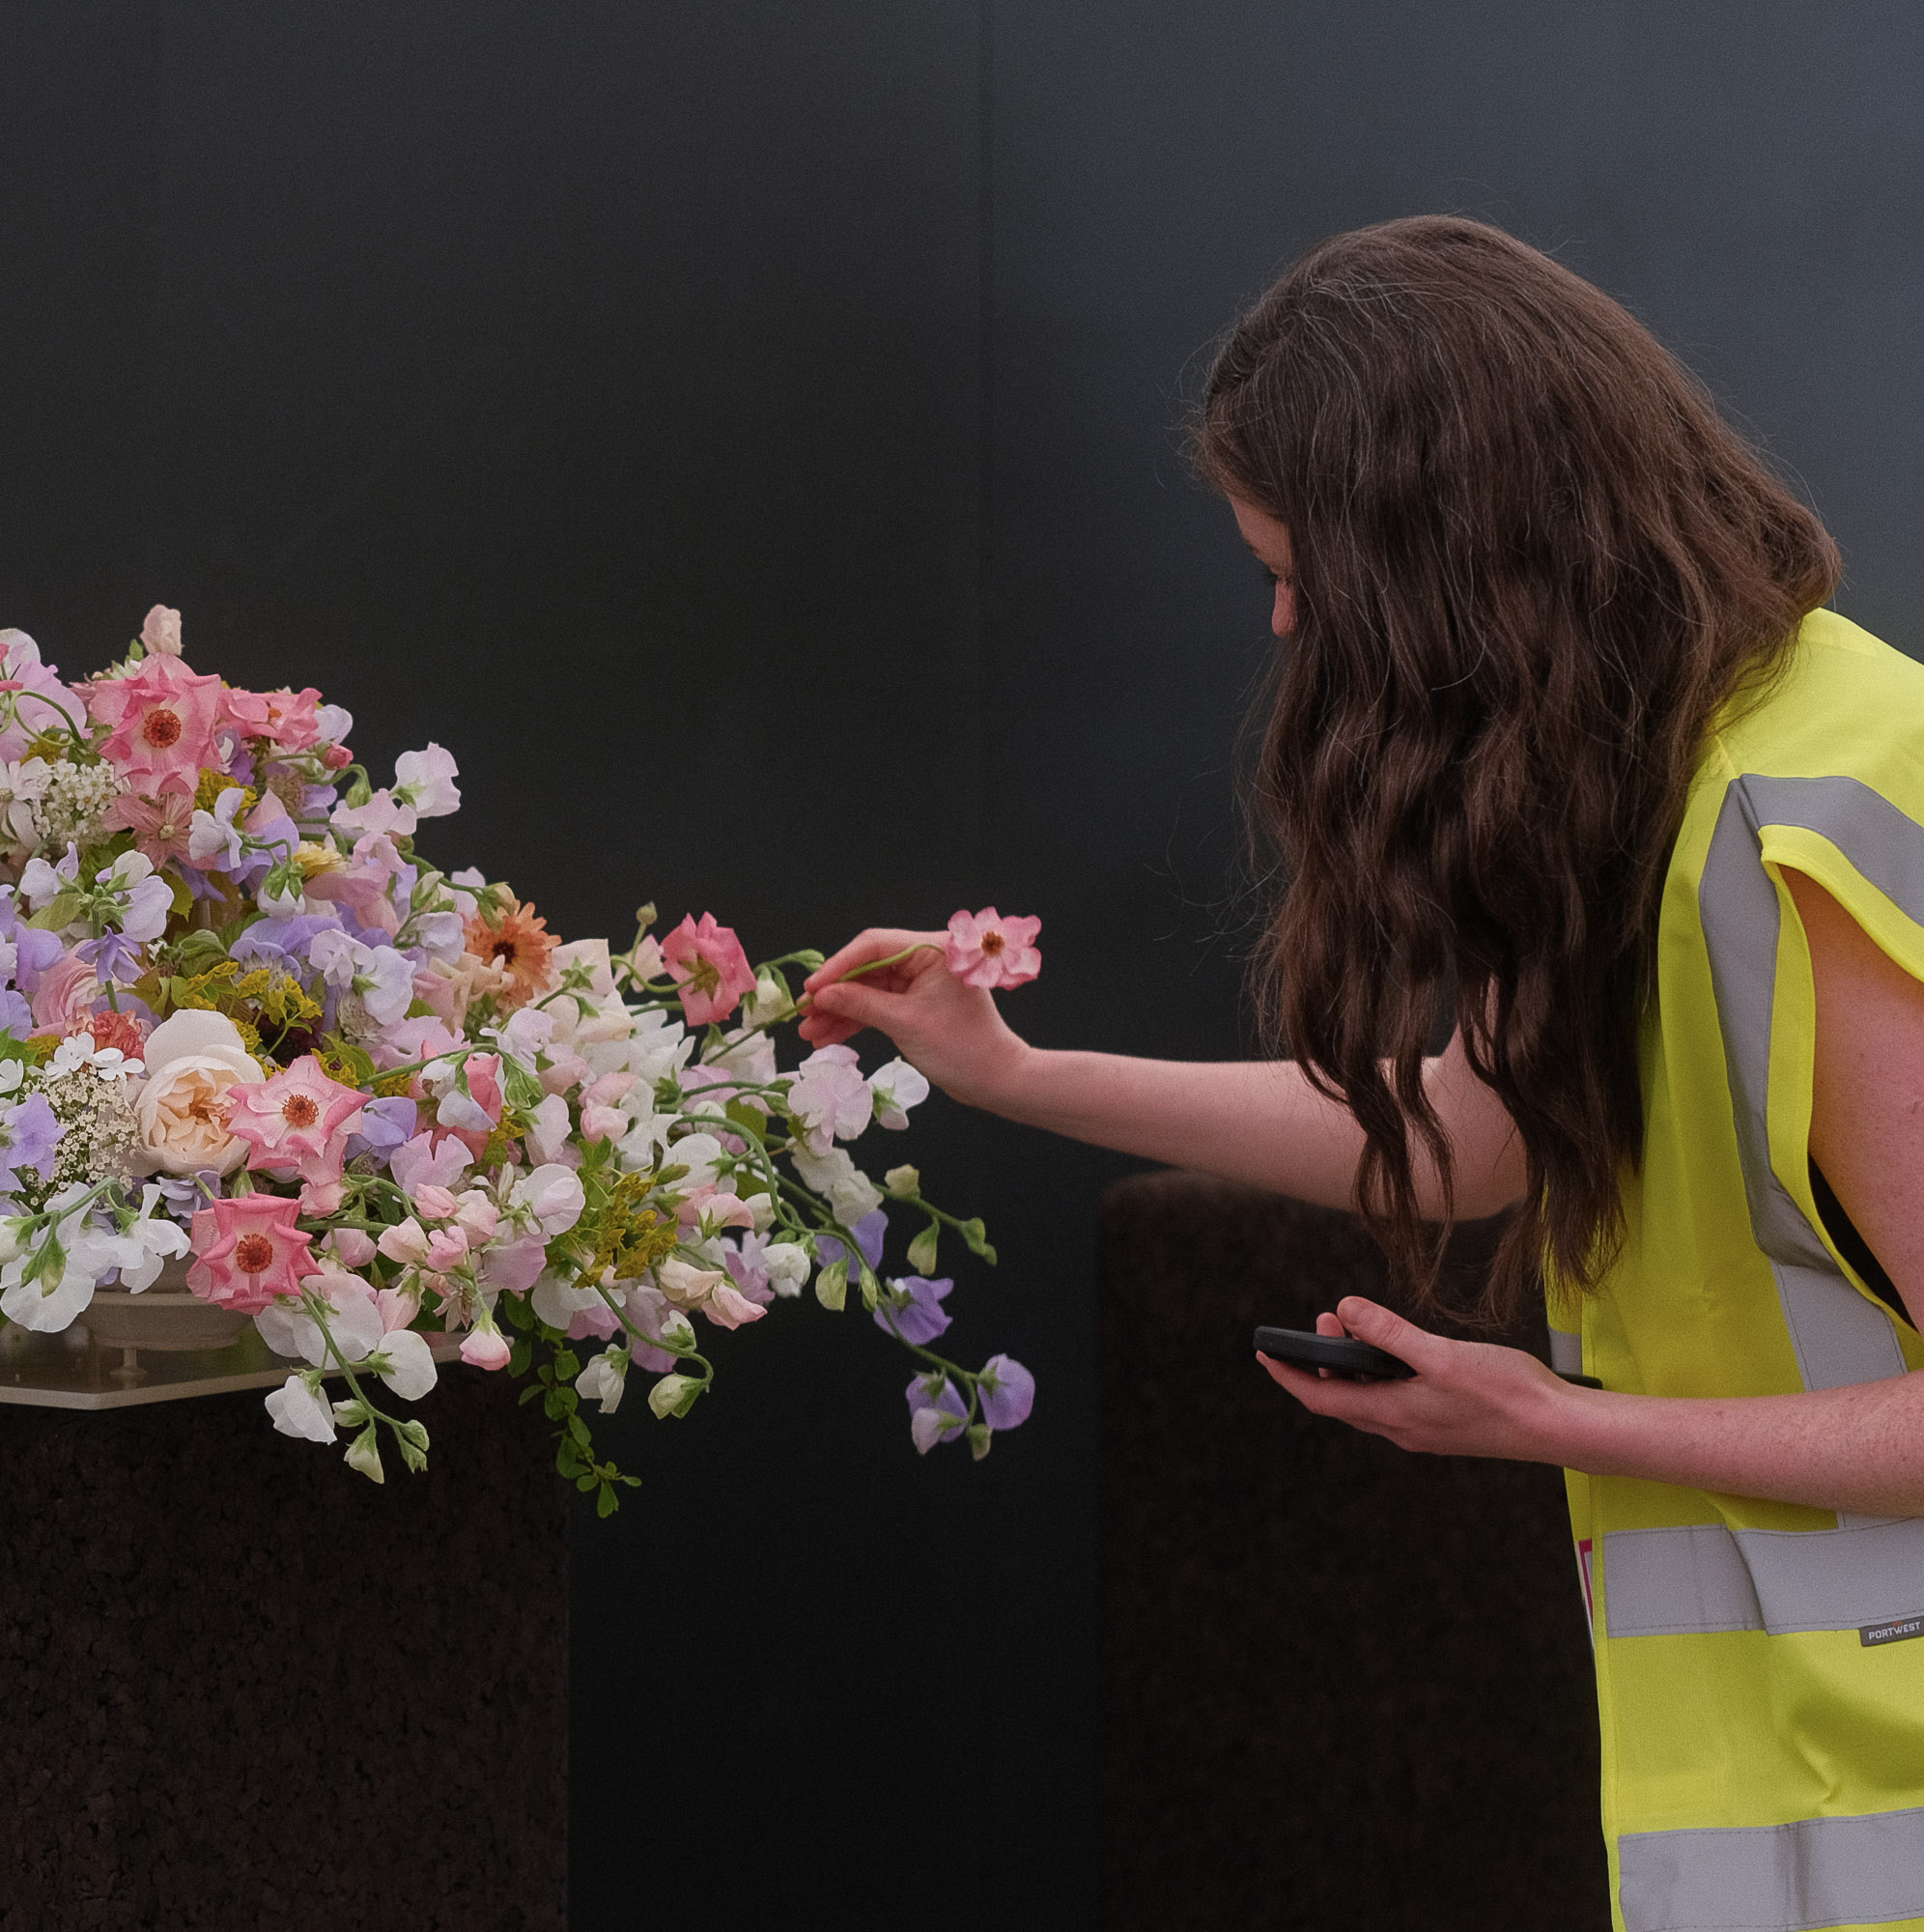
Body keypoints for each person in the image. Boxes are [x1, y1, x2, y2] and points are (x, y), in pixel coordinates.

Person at [799, 215, 1924, 1932]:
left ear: (1447, 558)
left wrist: (1552, 1421)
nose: (1282, 623)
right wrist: (1013, 1073)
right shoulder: (1669, 780)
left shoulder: (1789, 833)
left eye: (1300, 572)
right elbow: (1472, 1132)